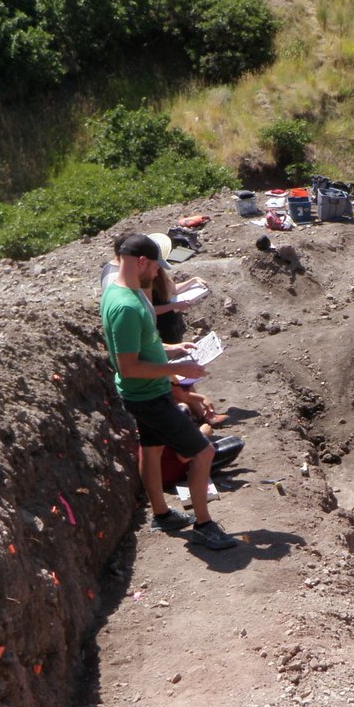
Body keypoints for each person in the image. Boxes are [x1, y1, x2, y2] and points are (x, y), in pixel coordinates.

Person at [99, 233, 239, 550]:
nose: (159, 274)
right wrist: (180, 371)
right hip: (147, 395)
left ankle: (162, 514)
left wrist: (173, 349)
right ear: (142, 262)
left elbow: (140, 346)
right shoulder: (125, 307)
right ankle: (204, 525)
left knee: (152, 450)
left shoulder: (122, 292)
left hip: (145, 392)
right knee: (203, 452)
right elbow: (128, 366)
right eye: (156, 267)